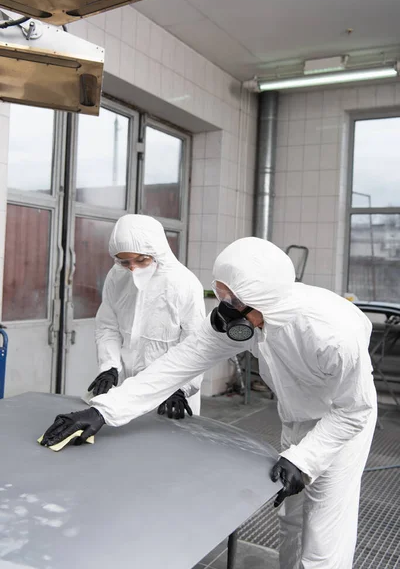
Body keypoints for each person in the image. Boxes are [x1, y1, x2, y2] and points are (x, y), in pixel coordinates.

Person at [42, 237, 377, 569]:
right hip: (296, 418)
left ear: (261, 300)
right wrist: (104, 410)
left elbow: (353, 410)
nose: (224, 306)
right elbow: (177, 365)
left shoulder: (330, 336)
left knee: (322, 531)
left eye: (232, 299)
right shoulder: (250, 316)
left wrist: (304, 457)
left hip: (341, 425)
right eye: (221, 294)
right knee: (290, 519)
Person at [87, 213, 205, 419]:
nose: (132, 268)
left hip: (170, 393)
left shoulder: (184, 283)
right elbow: (108, 327)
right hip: (125, 387)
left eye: (141, 260)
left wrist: (182, 388)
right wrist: (110, 366)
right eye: (124, 262)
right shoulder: (117, 277)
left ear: (157, 251)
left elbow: (197, 345)